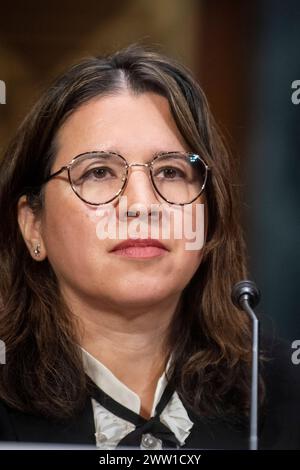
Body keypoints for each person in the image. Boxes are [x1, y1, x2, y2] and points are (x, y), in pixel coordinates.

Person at [0, 44, 299, 450]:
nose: (142, 205)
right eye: (99, 171)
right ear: (33, 225)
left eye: (171, 171)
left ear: (209, 215)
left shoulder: (280, 390)